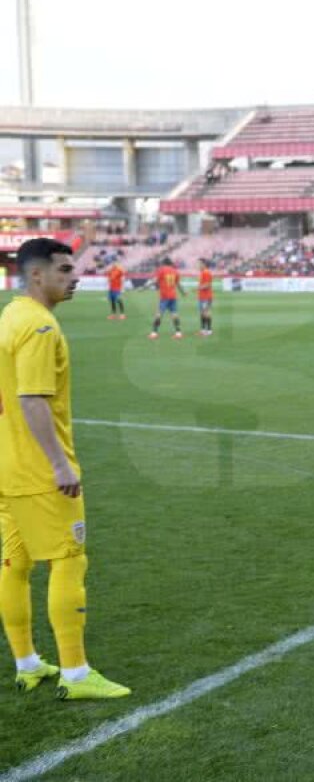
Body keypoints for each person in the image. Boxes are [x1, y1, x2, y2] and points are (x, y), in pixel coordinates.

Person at [0, 238, 131, 700]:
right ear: (37, 275)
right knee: (68, 559)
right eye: (65, 269)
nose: (75, 277)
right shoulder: (38, 326)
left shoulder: (10, 314)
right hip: (39, 472)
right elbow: (31, 398)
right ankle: (76, 675)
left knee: (15, 563)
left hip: (7, 466)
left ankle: (28, 663)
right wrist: (59, 464)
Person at [148, 258, 186, 340]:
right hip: (173, 296)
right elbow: (178, 284)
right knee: (174, 313)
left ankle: (154, 332)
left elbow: (155, 281)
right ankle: (178, 332)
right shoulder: (175, 271)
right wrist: (183, 292)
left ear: (164, 263)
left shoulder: (161, 270)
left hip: (164, 296)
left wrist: (145, 286)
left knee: (159, 313)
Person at [196, 260, 214, 337]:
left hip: (206, 297)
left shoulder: (206, 272)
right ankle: (203, 330)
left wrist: (199, 287)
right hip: (203, 297)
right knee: (203, 313)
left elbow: (208, 285)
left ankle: (208, 330)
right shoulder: (203, 272)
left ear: (204, 264)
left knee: (206, 313)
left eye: (199, 264)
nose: (198, 265)